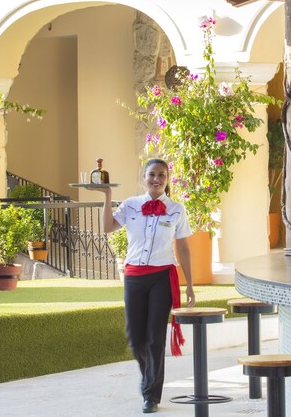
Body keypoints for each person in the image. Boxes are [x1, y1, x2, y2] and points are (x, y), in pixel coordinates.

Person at [102, 158, 195, 414]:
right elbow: (107, 227)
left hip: (162, 277)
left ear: (167, 179)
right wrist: (107, 196)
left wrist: (190, 284)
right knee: (135, 338)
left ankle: (151, 395)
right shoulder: (131, 205)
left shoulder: (176, 210)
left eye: (161, 175)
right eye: (152, 174)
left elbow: (183, 248)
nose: (156, 179)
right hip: (134, 276)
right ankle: (148, 378)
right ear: (144, 177)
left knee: (155, 338)